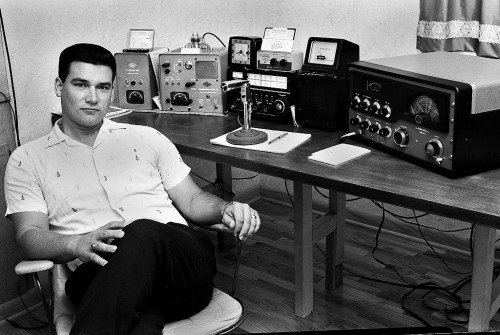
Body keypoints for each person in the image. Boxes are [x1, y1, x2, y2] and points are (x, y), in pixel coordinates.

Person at [4, 43, 261, 335]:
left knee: (141, 231)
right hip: (98, 274)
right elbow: (28, 237)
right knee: (139, 315)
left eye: (102, 87)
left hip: (180, 267)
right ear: (59, 86)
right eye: (80, 85)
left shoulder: (147, 138)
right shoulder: (27, 159)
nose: (92, 98)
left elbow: (191, 199)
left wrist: (226, 208)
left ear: (112, 91)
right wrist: (77, 244)